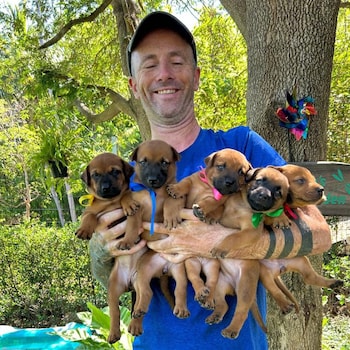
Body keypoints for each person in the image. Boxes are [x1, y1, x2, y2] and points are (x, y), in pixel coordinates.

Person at [90, 11, 331, 349]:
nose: (164, 74)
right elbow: (117, 276)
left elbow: (320, 234)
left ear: (197, 76)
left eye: (177, 62)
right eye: (149, 65)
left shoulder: (243, 148)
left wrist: (219, 240)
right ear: (133, 84)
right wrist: (101, 255)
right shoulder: (121, 175)